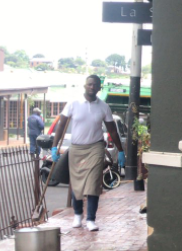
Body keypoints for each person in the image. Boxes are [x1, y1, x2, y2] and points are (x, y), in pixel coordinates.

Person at [51, 75, 126, 231]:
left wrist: (120, 150)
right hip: (77, 148)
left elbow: (112, 129)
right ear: (85, 86)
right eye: (90, 84)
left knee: (93, 184)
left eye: (95, 85)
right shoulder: (73, 104)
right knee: (77, 185)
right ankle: (78, 215)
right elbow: (61, 125)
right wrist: (54, 146)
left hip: (95, 148)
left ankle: (91, 219)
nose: (92, 87)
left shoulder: (103, 107)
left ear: (99, 88)